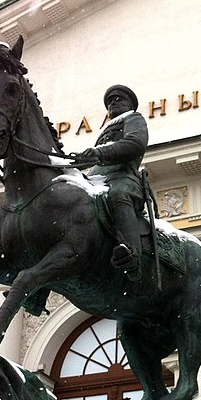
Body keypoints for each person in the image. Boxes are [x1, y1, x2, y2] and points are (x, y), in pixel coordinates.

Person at [76, 85, 148, 281]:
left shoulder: (133, 118)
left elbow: (135, 144)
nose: (113, 103)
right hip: (96, 179)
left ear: (130, 104)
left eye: (118, 99)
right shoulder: (105, 130)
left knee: (117, 194)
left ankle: (132, 255)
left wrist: (99, 153)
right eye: (110, 102)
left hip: (122, 177)